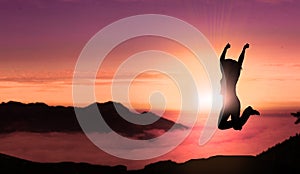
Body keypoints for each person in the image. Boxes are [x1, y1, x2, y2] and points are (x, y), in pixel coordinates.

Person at [218, 43, 260, 130]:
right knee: (231, 125)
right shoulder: (229, 74)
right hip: (228, 103)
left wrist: (227, 49)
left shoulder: (229, 75)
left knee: (227, 126)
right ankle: (247, 112)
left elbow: (223, 60)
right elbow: (223, 61)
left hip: (231, 103)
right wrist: (242, 49)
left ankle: (248, 112)